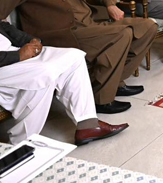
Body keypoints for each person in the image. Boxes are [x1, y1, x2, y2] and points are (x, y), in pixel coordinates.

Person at [0, 0, 157, 115]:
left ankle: (111, 83)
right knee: (122, 34)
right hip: (61, 34)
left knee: (147, 26)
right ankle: (102, 99)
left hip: (92, 24)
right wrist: (20, 42)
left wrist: (110, 4)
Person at [0, 21, 128, 145]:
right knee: (46, 73)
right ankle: (20, 142)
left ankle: (87, 124)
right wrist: (18, 56)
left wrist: (32, 41)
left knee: (74, 56)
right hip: (5, 62)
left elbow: (5, 27)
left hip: (14, 53)